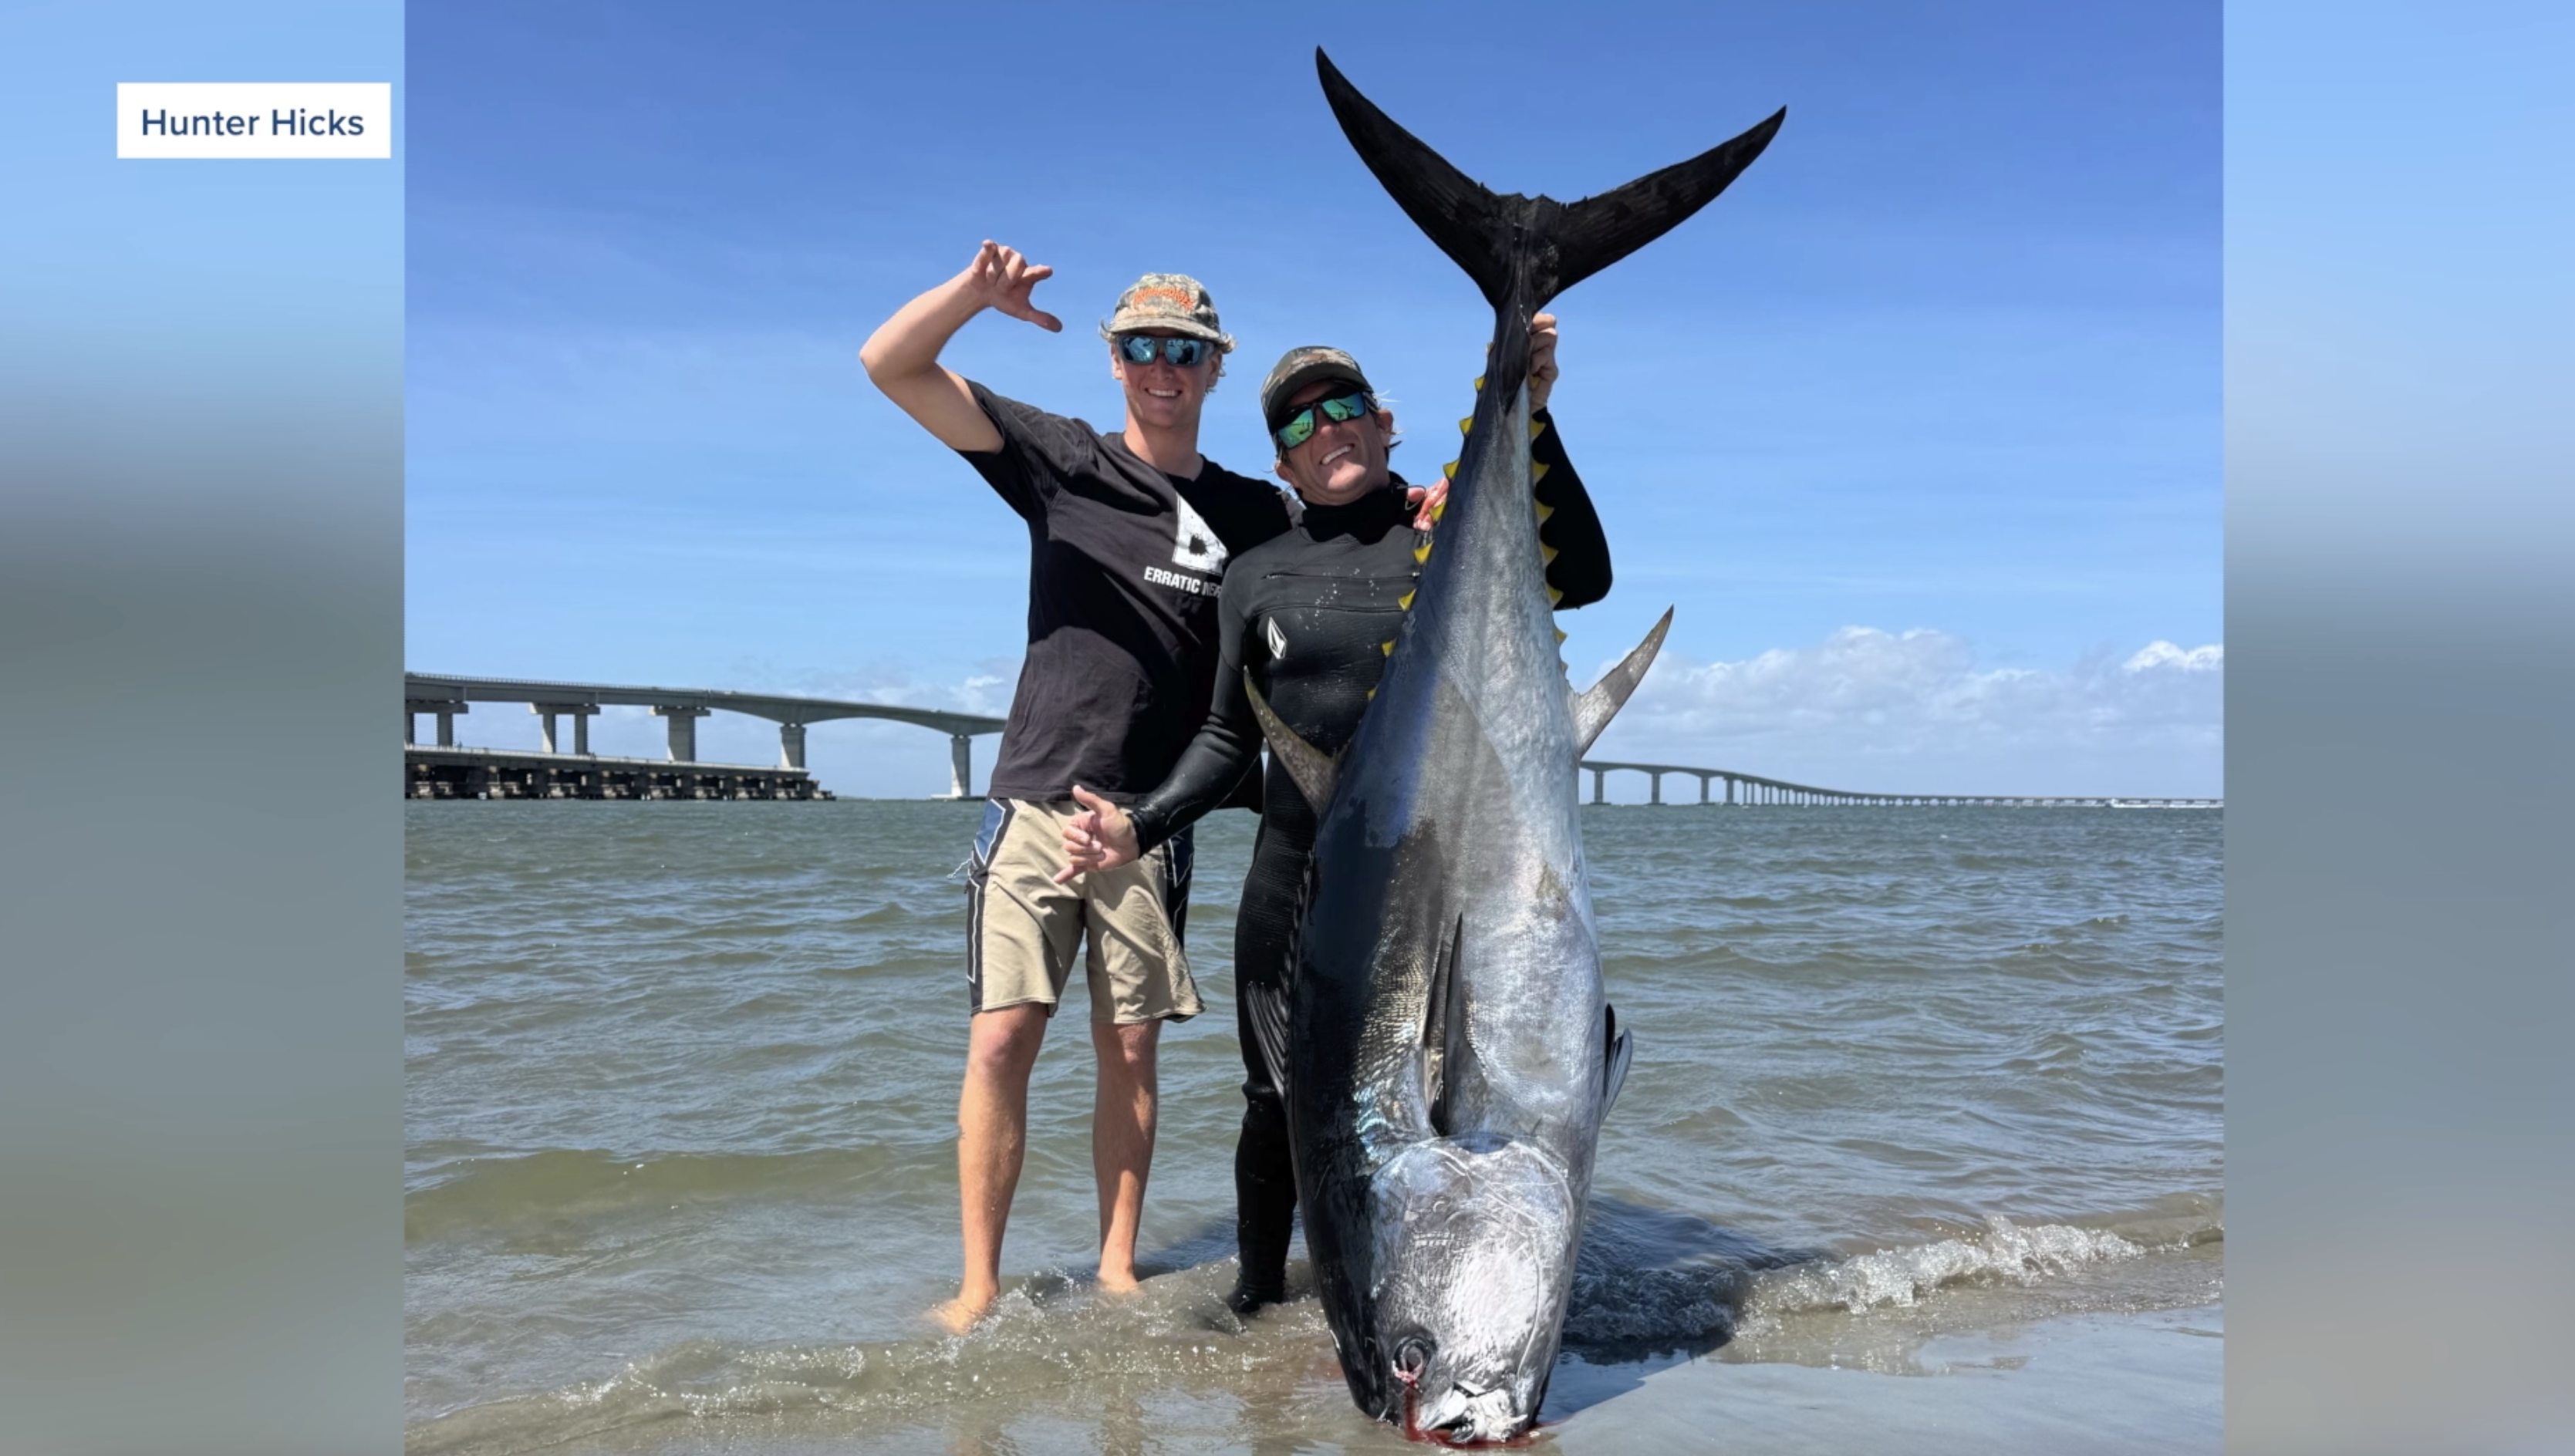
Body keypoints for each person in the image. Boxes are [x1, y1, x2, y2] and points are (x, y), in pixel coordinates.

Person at [1054, 322, 1611, 1314]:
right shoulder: (1256, 572)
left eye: (1344, 406)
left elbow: (1586, 577)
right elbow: (1229, 737)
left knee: (1452, 1090)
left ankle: (1415, 1296)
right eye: (1302, 421)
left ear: (1383, 424)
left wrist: (1529, 407)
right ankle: (1260, 1309)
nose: (1328, 428)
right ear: (1283, 461)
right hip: (1296, 876)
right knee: (1278, 1101)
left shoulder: (1446, 536)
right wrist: (1139, 828)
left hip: (1443, 880)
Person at [859, 242, 1299, 1332]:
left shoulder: (1255, 514)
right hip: (1037, 798)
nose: (1163, 367)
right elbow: (889, 365)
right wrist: (972, 295)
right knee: (1002, 1038)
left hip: (1150, 819)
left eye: (1185, 351)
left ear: (1211, 370)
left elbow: (1349, 533)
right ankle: (978, 1284)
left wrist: (1421, 499)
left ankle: (1114, 1264)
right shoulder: (1061, 460)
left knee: (1130, 1048)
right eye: (1142, 347)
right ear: (1114, 360)